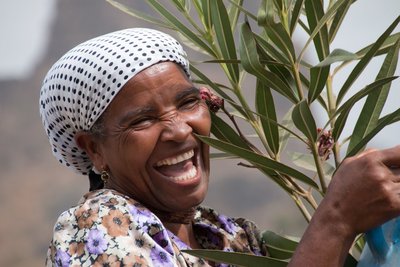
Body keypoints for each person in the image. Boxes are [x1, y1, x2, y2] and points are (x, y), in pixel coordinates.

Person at [40, 28, 400, 267]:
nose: (180, 130)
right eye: (142, 120)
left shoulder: (231, 237)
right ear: (94, 149)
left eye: (187, 103)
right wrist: (336, 218)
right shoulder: (96, 229)